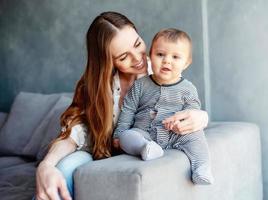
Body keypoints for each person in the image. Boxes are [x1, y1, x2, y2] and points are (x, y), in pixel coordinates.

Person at [35, 12, 209, 200]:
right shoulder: (96, 86)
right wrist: (45, 166)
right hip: (99, 153)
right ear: (107, 61)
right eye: (123, 56)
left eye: (137, 44)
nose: (138, 59)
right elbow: (72, 134)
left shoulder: (163, 69)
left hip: (146, 149)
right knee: (63, 168)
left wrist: (202, 117)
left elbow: (186, 101)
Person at [113, 28, 213, 185]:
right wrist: (119, 133)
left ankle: (202, 168)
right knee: (127, 136)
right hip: (145, 132)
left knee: (197, 138)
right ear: (150, 57)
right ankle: (145, 148)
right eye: (160, 54)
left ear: (186, 63)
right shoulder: (140, 85)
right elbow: (128, 109)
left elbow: (192, 113)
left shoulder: (188, 89)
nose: (167, 61)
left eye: (175, 57)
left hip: (175, 134)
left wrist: (181, 123)